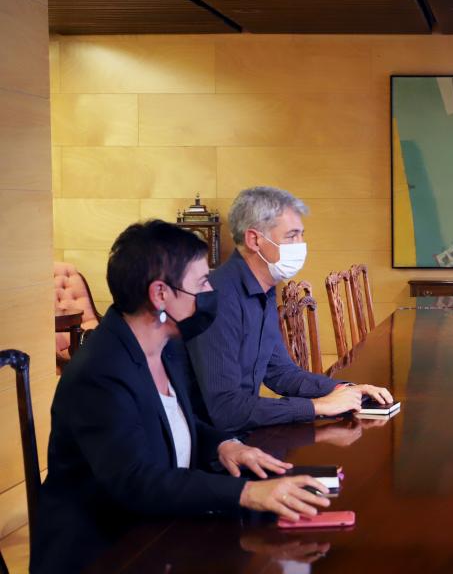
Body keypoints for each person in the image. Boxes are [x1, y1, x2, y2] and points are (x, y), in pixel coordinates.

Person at [32, 221, 331, 574]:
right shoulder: (100, 371)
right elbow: (137, 480)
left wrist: (225, 445)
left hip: (160, 529)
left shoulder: (167, 345)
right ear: (160, 294)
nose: (210, 292)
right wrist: (246, 493)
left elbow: (181, 424)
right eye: (202, 283)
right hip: (106, 552)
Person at [188, 186, 391, 432]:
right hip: (213, 448)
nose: (301, 245)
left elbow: (280, 373)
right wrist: (316, 406)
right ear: (255, 240)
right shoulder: (220, 298)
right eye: (291, 236)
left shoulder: (265, 287)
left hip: (243, 434)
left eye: (301, 235)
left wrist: (343, 390)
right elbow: (225, 409)